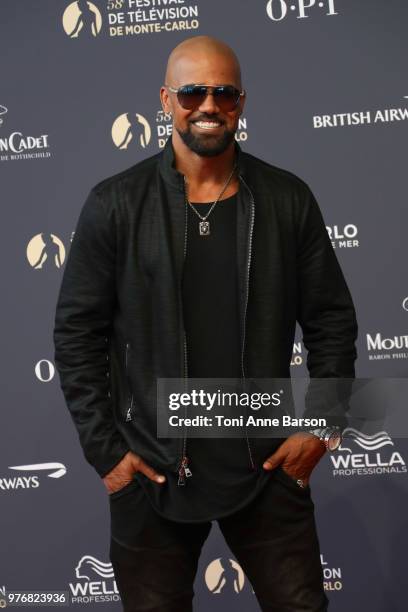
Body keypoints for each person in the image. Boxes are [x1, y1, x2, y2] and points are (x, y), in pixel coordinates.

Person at [53, 35, 358, 612]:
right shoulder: (115, 204)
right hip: (152, 470)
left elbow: (332, 320)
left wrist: (322, 425)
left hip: (266, 465)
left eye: (224, 93)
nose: (208, 105)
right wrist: (107, 454)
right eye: (193, 92)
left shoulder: (286, 199)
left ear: (241, 103)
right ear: (166, 100)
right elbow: (76, 334)